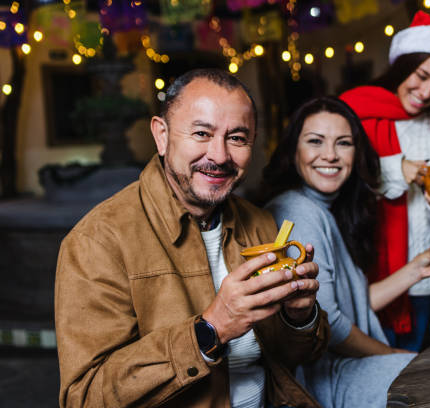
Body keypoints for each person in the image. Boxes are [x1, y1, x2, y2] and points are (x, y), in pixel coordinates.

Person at [54, 69, 329, 408]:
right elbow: (84, 399)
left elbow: (297, 356)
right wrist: (210, 331)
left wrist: (299, 318)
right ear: (162, 135)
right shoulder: (97, 241)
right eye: (202, 133)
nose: (219, 156)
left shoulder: (259, 223)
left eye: (238, 138)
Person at [262, 96, 430, 407]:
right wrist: (391, 355)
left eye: (343, 143)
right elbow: (330, 322)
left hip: (341, 370)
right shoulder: (297, 210)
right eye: (315, 141)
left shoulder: (327, 209)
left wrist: (416, 269)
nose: (330, 155)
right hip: (326, 381)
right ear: (294, 150)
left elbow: (352, 304)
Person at [340, 11, 430, 351]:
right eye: (422, 75)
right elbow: (338, 186)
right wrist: (396, 170)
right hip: (367, 265)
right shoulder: (356, 108)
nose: (427, 92)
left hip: (422, 272)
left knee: (411, 366)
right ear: (403, 65)